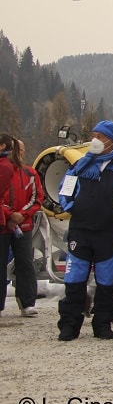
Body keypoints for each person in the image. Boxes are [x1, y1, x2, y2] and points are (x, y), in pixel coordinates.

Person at [57, 121, 113, 341]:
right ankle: (69, 324)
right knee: (75, 278)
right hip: (81, 230)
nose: (94, 139)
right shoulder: (81, 164)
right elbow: (65, 189)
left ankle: (102, 323)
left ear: (110, 141)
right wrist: (71, 207)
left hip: (107, 231)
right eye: (93, 135)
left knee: (105, 281)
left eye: (99, 136)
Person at [0, 135, 42, 316]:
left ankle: (27, 302)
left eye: (22, 150)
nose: (20, 153)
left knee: (25, 262)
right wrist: (9, 214)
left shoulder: (30, 173)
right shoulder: (3, 169)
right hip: (3, 224)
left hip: (23, 225)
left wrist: (21, 215)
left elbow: (37, 198)